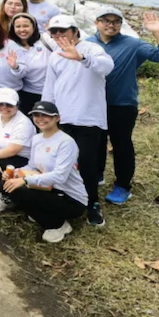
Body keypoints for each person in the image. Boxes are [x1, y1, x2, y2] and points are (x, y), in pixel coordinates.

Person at [88, 9, 159, 205]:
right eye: (106, 21)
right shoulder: (87, 43)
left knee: (121, 145)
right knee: (96, 141)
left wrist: (157, 33)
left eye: (116, 21)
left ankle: (123, 186)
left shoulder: (133, 44)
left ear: (121, 24)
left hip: (122, 104)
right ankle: (97, 174)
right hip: (92, 104)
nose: (111, 25)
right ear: (97, 22)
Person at [41, 14, 114, 227]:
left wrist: (81, 57)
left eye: (63, 31)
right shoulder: (55, 55)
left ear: (75, 31)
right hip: (62, 117)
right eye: (54, 32)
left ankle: (92, 203)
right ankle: (66, 198)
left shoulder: (91, 49)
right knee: (62, 161)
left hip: (88, 118)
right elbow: (50, 88)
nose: (58, 35)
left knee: (86, 164)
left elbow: (107, 66)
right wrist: (46, 115)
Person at [0, 101, 88, 244]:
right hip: (47, 188)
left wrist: (25, 180)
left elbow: (60, 176)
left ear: (57, 118)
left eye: (46, 115)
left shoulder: (66, 142)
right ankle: (41, 212)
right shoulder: (37, 139)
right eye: (36, 115)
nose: (40, 118)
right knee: (7, 183)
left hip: (70, 197)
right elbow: (33, 165)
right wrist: (15, 173)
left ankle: (58, 225)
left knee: (21, 190)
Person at [6, 13, 48, 114]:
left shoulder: (44, 41)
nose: (22, 30)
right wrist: (15, 67)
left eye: (26, 26)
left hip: (47, 92)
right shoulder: (10, 46)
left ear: (34, 27)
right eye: (18, 26)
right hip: (25, 93)